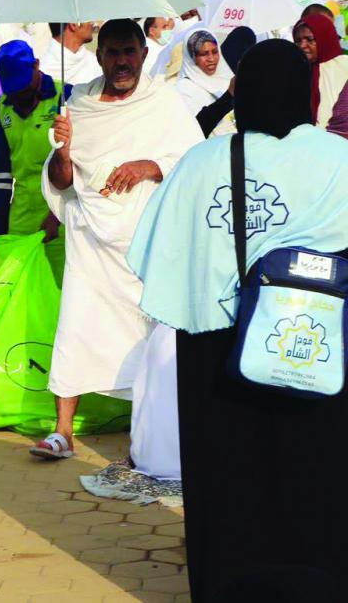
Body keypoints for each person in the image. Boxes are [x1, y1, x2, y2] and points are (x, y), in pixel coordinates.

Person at [128, 39, 348, 603]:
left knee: (228, 469)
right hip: (317, 340)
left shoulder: (202, 161)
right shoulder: (339, 158)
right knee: (317, 466)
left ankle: (228, 581)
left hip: (218, 344)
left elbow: (155, 251)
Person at [33, 19, 202, 460]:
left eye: (129, 51)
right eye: (113, 52)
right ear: (99, 55)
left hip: (146, 242)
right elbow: (61, 182)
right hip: (90, 238)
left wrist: (149, 166)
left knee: (148, 338)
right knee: (76, 325)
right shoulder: (79, 105)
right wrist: (63, 151)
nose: (122, 61)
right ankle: (62, 432)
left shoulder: (164, 102)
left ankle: (148, 436)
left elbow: (194, 161)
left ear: (144, 54)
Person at [0, 40, 66, 282]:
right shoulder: (1, 109)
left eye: (23, 88)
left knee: (57, 292)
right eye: (12, 91)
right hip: (21, 220)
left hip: (60, 219)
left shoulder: (64, 97)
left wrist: (58, 213)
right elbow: (0, 175)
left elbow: (81, 165)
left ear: (36, 66)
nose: (18, 97)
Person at [175, 29, 235, 137]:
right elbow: (195, 129)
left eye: (215, 52)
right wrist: (228, 96)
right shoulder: (184, 89)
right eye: (203, 54)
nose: (211, 59)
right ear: (192, 57)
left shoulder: (228, 79)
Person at [293, 14, 348, 128]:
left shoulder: (344, 65)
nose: (302, 45)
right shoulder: (296, 71)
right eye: (298, 41)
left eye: (310, 39)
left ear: (325, 37)